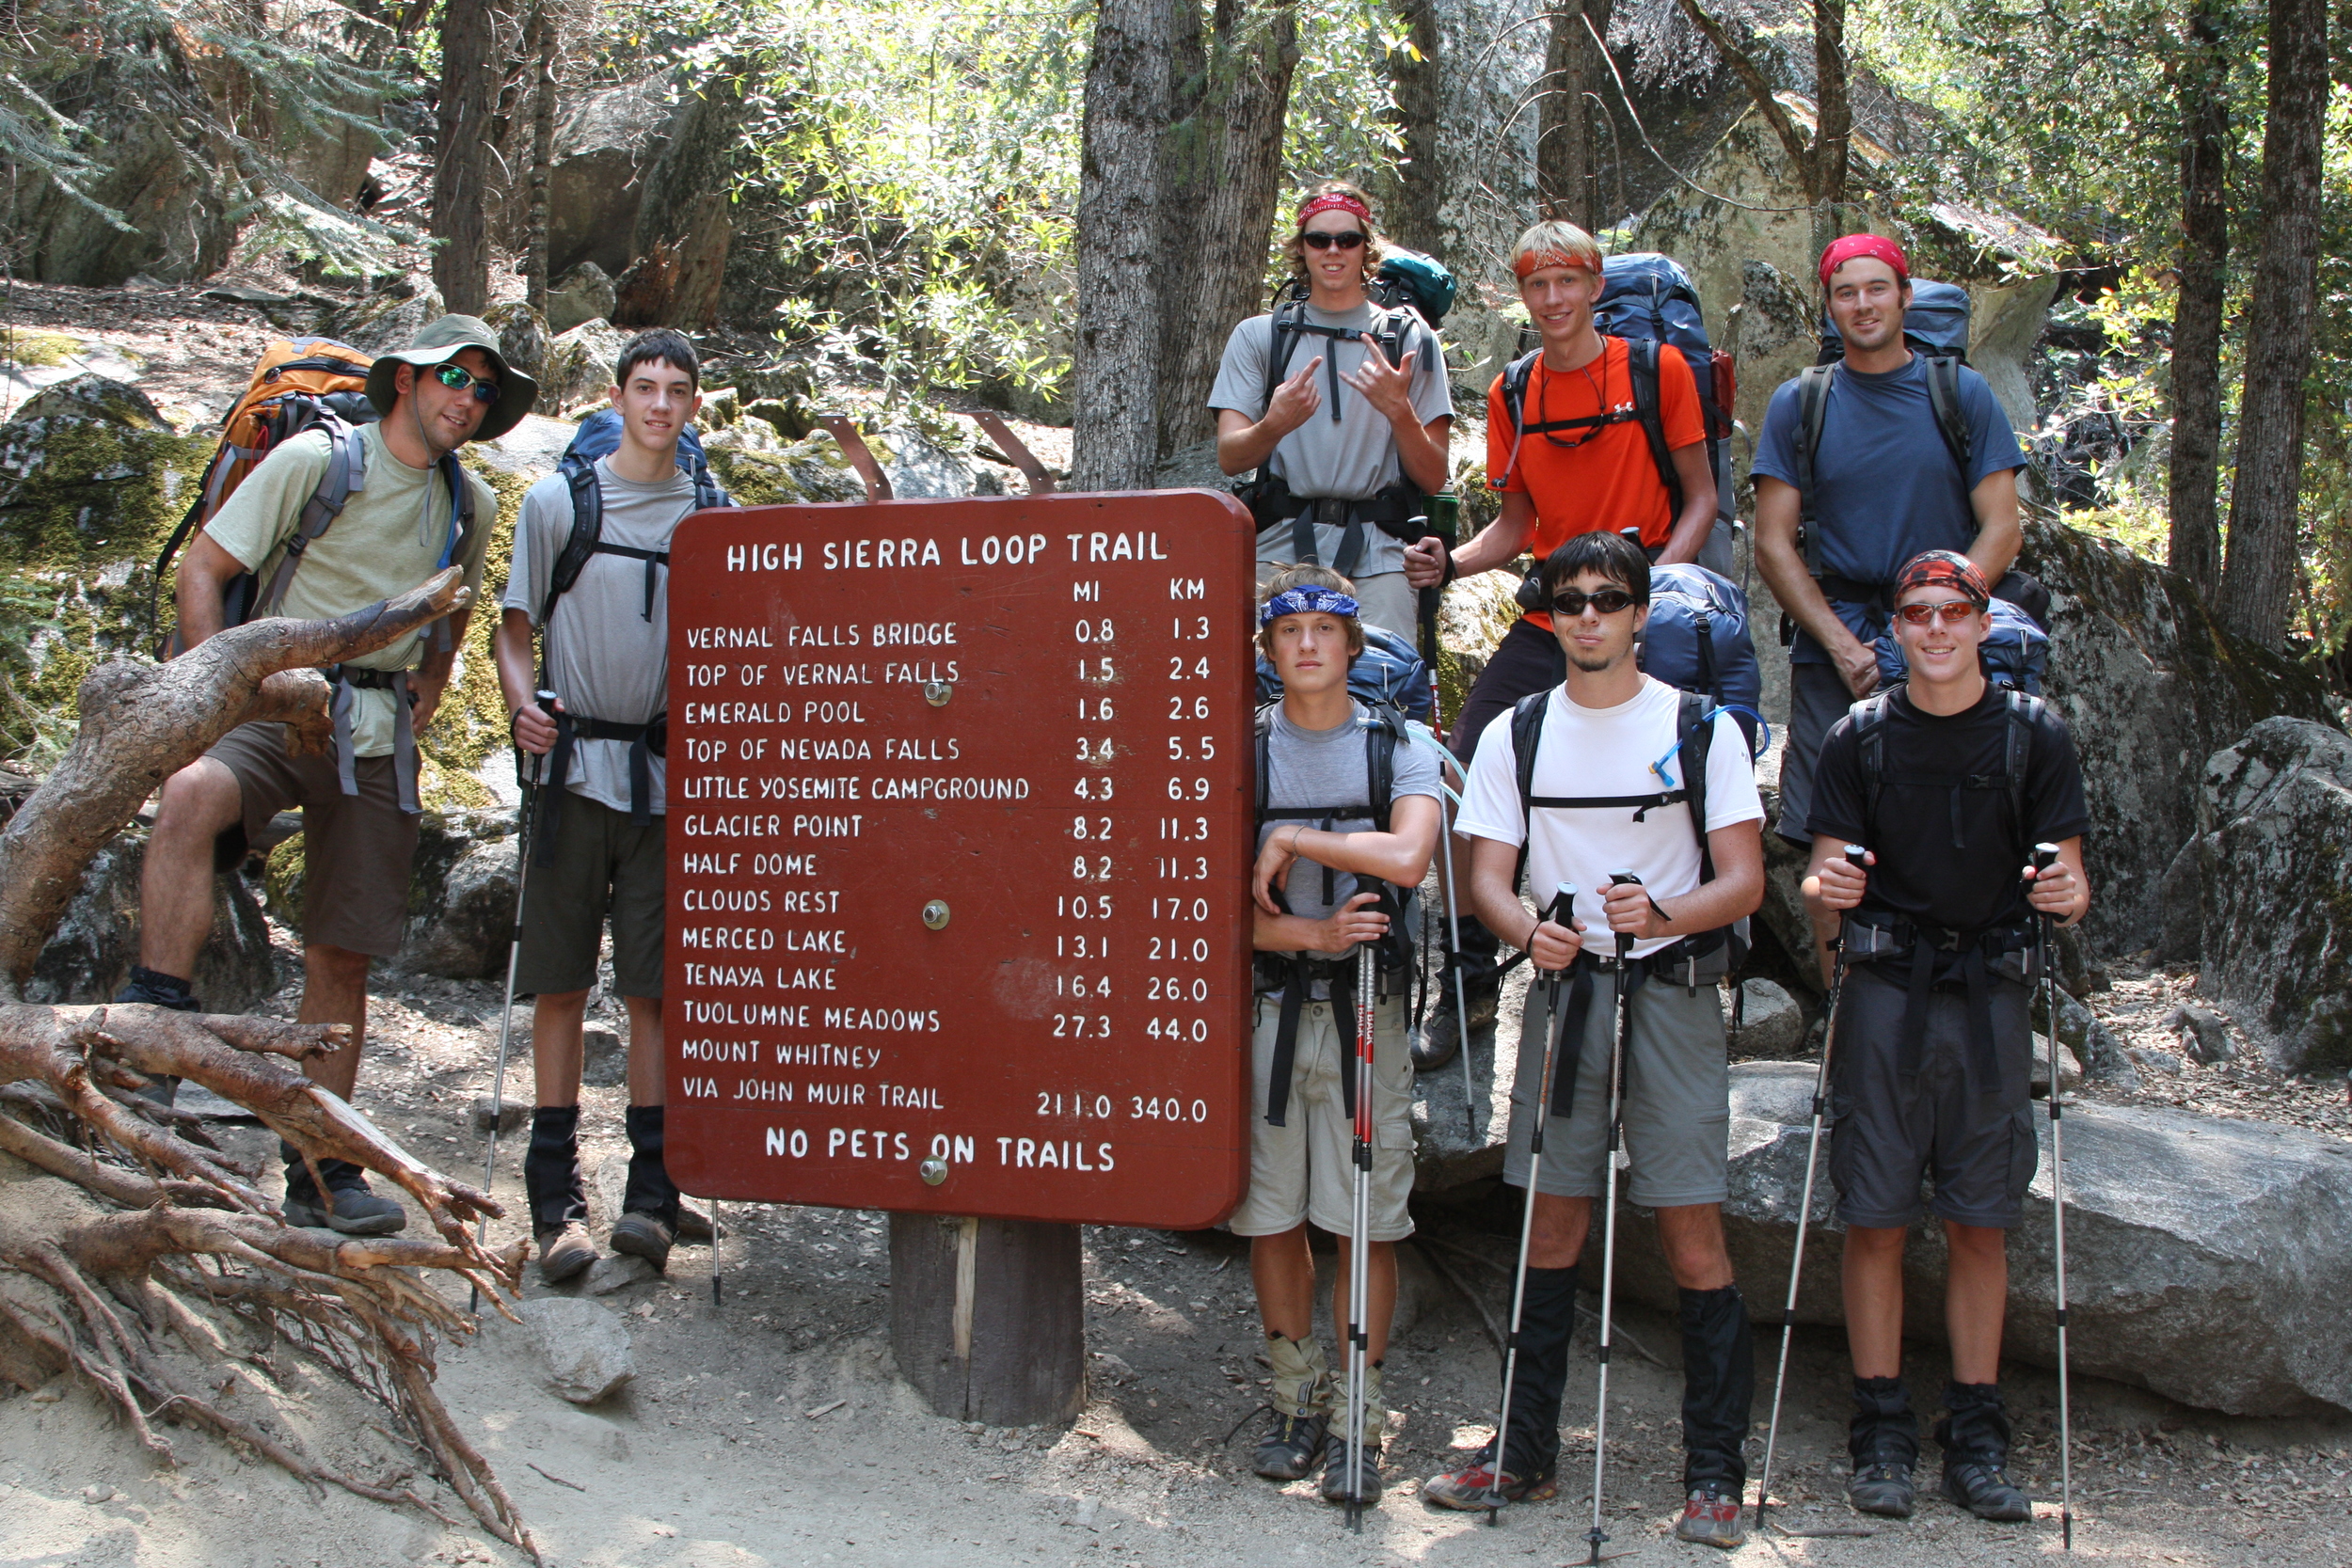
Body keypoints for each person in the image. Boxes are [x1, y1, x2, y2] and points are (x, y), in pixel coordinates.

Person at [119, 316, 531, 1235]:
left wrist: (428, 681)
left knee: (343, 951)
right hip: (269, 698)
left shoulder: (472, 505)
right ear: (406, 381)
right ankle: (154, 1039)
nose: (466, 398)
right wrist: (206, 687)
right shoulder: (318, 459)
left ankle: (320, 1166)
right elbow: (206, 564)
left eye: (481, 390)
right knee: (188, 797)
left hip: (378, 731)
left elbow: (452, 605)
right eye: (452, 378)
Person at [1421, 530, 1763, 1550]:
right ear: (1548, 612)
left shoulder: (1701, 728)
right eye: (1565, 598)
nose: (1584, 615)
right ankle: (1522, 1453)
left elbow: (1741, 880)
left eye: (1606, 598)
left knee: (1691, 1223)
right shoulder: (1516, 733)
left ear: (1639, 610)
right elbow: (1486, 875)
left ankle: (1714, 1471)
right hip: (1569, 994)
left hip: (1673, 989)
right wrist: (1532, 931)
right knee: (1551, 1222)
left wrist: (1661, 914)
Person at [1800, 548, 2090, 1524]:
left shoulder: (2034, 737)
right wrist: (1824, 891)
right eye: (1914, 613)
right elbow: (1822, 872)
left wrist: (2061, 890)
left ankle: (1975, 1429)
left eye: (1950, 612)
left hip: (1992, 992)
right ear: (1893, 626)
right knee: (1873, 1211)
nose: (1931, 629)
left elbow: (2072, 883)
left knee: (1982, 1215)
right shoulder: (1859, 736)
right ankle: (1879, 1424)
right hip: (1884, 988)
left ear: (1980, 622)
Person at [1400, 220, 1718, 1069]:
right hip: (1549, 618)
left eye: (1567, 282)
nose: (1553, 300)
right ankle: (1469, 980)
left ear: (1594, 284)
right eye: (1537, 286)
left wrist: (1647, 591)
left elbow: (1699, 499)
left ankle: (1685, 956)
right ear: (1522, 295)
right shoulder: (1514, 392)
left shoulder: (1657, 371)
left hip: (1643, 615)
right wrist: (1451, 564)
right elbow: (1517, 524)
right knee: (1461, 775)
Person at [493, 329, 714, 1280]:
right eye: (644, 387)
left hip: (667, 784)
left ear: (694, 407)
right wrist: (519, 702)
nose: (659, 405)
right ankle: (556, 1200)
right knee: (559, 982)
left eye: (675, 391)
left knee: (654, 990)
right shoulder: (558, 502)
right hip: (574, 773)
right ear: (617, 396)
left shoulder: (712, 515)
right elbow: (512, 628)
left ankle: (652, 1196)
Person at [1240, 565, 1442, 1505]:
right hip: (1271, 1004)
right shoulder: (1240, 753)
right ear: (1269, 649)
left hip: (1370, 1005)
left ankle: (1359, 1410)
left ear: (1354, 646)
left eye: (1328, 628)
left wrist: (1292, 842)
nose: (1309, 644)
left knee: (1365, 1219)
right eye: (1291, 631)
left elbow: (1408, 854)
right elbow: (1198, 906)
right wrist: (1308, 932)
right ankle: (1295, 1397)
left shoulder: (1397, 744)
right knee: (1271, 1212)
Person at [1752, 234, 2026, 893]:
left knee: (1960, 822)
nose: (1863, 304)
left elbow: (2002, 526)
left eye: (1878, 288)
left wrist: (1940, 618)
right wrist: (1847, 650)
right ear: (1828, 307)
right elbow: (1771, 541)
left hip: (1945, 642)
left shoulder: (1961, 394)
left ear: (1905, 296)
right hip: (1833, 643)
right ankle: (1844, 994)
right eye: (1846, 293)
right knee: (1830, 851)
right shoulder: (1801, 403)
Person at [1210, 182, 1454, 641]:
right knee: (1266, 693)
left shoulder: (1410, 339)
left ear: (1367, 247)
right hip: (1279, 546)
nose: (1333, 250)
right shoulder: (1261, 336)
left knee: (1383, 688)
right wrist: (1274, 425)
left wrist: (1399, 412)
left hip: (1379, 551)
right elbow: (1231, 455)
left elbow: (1434, 476)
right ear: (1301, 249)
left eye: (1348, 238)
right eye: (1319, 239)